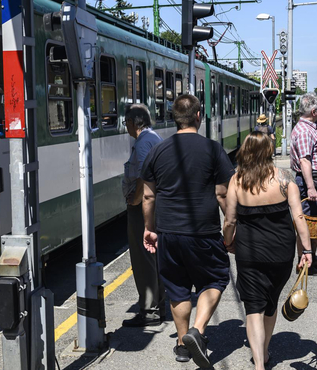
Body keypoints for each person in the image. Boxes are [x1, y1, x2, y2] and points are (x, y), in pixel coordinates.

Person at [141, 94, 234, 368]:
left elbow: (148, 196)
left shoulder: (158, 150)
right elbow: (221, 194)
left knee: (177, 288)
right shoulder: (213, 149)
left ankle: (183, 345)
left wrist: (149, 228)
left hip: (168, 232)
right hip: (203, 231)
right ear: (198, 116)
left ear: (174, 118)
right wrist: (231, 228)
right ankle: (198, 329)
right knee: (216, 278)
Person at [222, 131, 312, 370]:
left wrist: (228, 241)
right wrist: (307, 251)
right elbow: (299, 218)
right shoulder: (285, 180)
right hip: (281, 254)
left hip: (248, 253)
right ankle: (264, 352)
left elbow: (230, 221)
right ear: (269, 151)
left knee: (253, 307)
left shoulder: (237, 181)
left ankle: (259, 364)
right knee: (270, 303)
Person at [121, 104, 164, 327]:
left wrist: (136, 200)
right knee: (152, 258)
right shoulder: (152, 138)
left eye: (126, 122)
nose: (125, 126)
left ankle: (150, 311)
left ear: (134, 122)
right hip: (152, 205)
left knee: (143, 259)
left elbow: (145, 176)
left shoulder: (144, 141)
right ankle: (158, 305)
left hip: (143, 208)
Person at [290, 93, 317, 273]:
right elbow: (305, 161)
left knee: (313, 222)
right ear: (314, 111)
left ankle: (310, 257)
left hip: (312, 180)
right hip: (311, 181)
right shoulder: (305, 131)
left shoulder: (307, 128)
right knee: (308, 222)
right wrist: (311, 187)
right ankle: (304, 262)